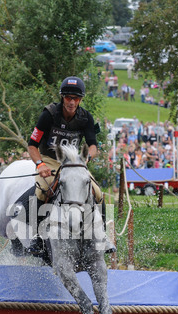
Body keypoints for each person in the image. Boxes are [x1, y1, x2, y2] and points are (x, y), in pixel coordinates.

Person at [27, 76, 112, 254]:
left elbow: (93, 145)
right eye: (68, 98)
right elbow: (32, 145)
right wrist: (40, 164)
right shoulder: (49, 114)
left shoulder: (86, 117)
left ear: (80, 100)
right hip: (50, 159)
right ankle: (36, 237)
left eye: (76, 98)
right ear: (62, 97)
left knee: (97, 191)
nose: (72, 102)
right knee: (42, 190)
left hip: (74, 162)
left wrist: (86, 158)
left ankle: (103, 236)